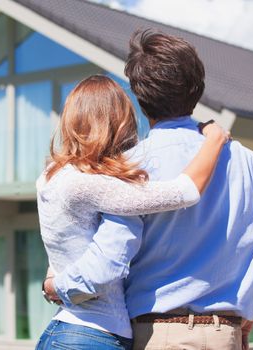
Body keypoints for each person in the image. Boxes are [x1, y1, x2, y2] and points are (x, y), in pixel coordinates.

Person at [44, 29, 253, 350]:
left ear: (138, 94)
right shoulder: (248, 162)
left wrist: (57, 287)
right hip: (226, 335)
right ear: (197, 88)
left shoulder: (128, 168)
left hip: (158, 335)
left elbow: (111, 255)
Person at [35, 74, 230, 350]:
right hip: (91, 335)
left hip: (67, 331)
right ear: (118, 123)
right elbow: (185, 191)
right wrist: (215, 138)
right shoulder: (91, 185)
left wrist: (52, 284)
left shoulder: (51, 177)